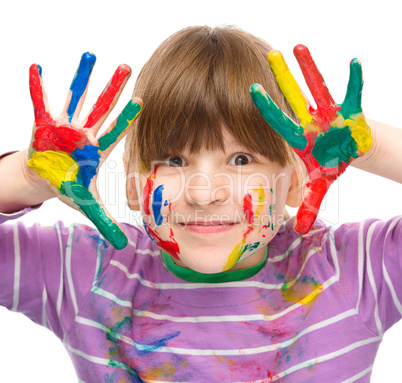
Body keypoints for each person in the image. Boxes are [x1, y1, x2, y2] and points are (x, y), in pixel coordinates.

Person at [0, 25, 401, 382]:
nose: (204, 193)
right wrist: (26, 176)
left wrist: (371, 147)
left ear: (295, 180)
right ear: (132, 184)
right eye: (173, 161)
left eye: (241, 160)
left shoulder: (349, 272)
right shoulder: (89, 272)